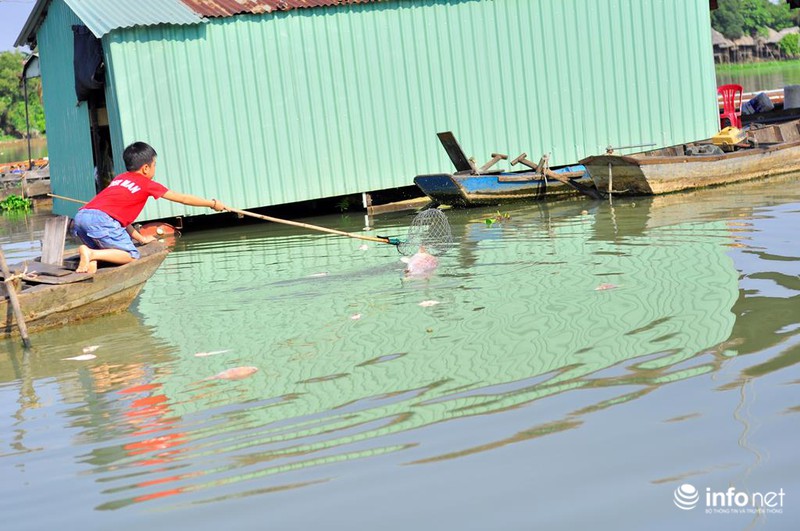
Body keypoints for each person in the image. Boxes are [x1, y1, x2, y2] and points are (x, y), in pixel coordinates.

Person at [73, 141, 227, 274]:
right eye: (155, 165)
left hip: (82, 216)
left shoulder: (120, 178)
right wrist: (212, 204)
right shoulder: (147, 184)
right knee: (131, 255)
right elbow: (183, 199)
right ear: (146, 168)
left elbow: (122, 221)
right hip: (102, 220)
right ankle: (90, 254)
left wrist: (141, 238)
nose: (155, 168)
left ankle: (91, 262)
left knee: (103, 250)